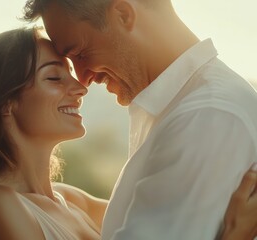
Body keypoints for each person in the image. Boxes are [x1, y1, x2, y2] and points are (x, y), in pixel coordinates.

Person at [0, 27, 257, 240]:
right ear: (5, 103)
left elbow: (172, 212)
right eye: (55, 78)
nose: (80, 87)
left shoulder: (71, 200)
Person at [23, 0, 257, 239]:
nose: (82, 80)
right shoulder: (182, 110)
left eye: (81, 54)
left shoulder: (205, 117)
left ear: (124, 15)